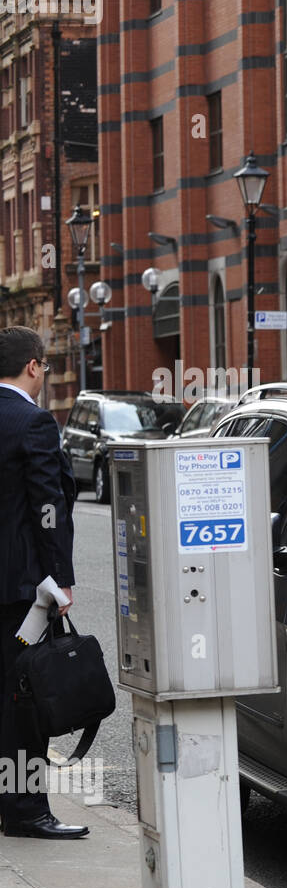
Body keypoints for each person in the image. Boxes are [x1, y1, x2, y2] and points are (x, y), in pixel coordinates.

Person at [0, 326, 87, 839]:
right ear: (34, 366)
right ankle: (27, 810)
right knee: (25, 700)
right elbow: (47, 507)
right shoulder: (32, 422)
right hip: (23, 595)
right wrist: (58, 579)